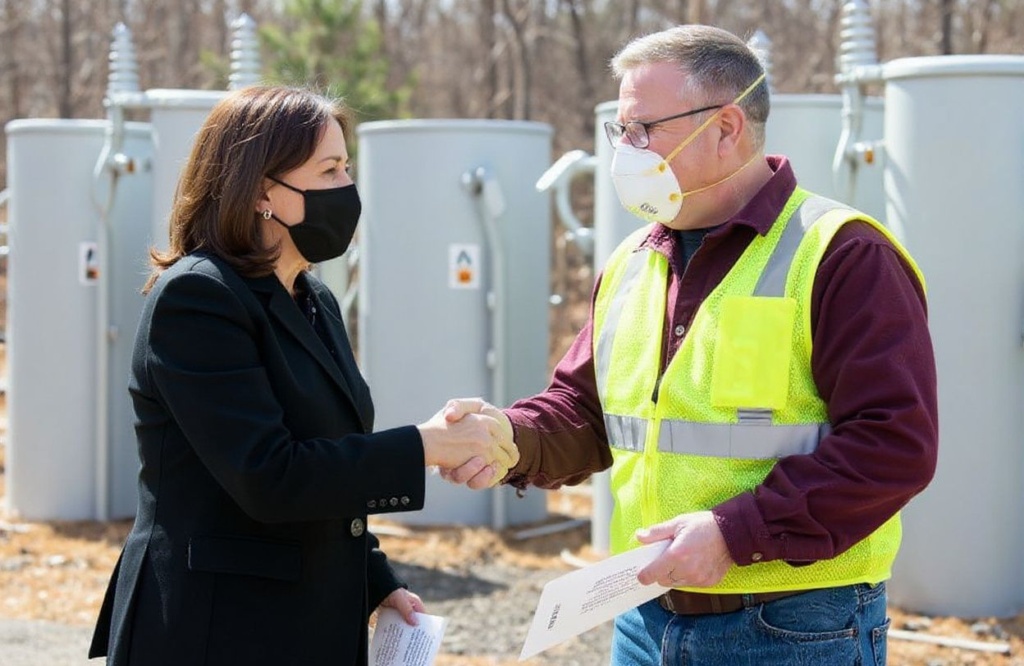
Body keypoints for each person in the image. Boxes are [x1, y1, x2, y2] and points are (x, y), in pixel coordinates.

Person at [444, 24, 938, 665]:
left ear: (727, 127)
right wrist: (509, 438)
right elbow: (588, 411)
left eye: (643, 128)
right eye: (620, 130)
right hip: (644, 620)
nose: (627, 149)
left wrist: (736, 536)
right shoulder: (631, 261)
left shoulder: (843, 254)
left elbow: (894, 445)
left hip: (794, 628)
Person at [88, 85, 517, 666]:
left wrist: (375, 578)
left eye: (348, 167)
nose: (349, 188)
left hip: (299, 624)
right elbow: (269, 475)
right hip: (214, 629)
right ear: (264, 189)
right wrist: (424, 446)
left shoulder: (311, 295)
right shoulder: (198, 298)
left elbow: (330, 458)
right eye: (330, 169)